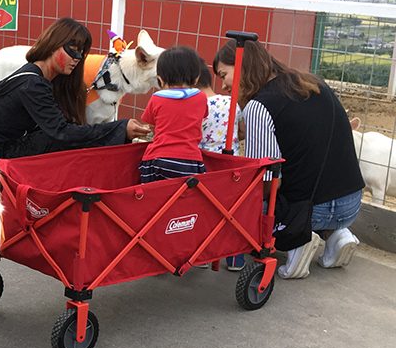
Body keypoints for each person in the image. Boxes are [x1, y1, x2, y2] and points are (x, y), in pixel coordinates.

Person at [213, 39, 365, 279]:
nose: (223, 85)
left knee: (239, 202)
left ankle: (296, 241)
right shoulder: (313, 84)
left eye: (224, 74)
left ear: (243, 66)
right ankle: (338, 235)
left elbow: (267, 181)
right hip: (352, 203)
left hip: (309, 212)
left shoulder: (259, 106)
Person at [0, 18, 150, 158]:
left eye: (81, 52)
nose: (77, 57)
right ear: (53, 44)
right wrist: (120, 129)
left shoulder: (47, 78)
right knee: (60, 140)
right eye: (72, 49)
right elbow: (62, 133)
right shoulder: (33, 82)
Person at [196, 55, 245, 269]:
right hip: (230, 167)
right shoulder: (231, 102)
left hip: (204, 168)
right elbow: (242, 131)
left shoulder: (195, 107)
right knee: (232, 212)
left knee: (204, 211)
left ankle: (202, 256)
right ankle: (235, 257)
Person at [138, 46, 209, 183]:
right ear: (195, 79)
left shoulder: (156, 98)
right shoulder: (201, 98)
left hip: (155, 158)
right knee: (185, 199)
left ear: (161, 80)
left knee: (150, 197)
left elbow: (153, 126)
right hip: (189, 160)